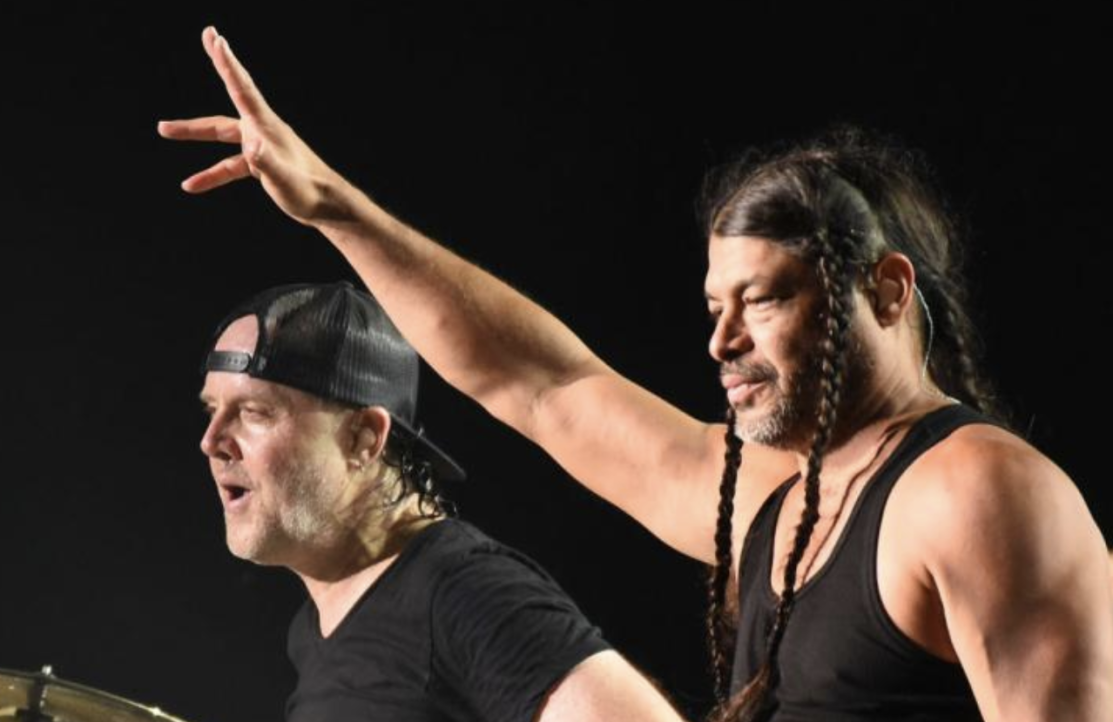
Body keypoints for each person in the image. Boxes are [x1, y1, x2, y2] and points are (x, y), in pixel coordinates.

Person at [162, 26, 1113, 721]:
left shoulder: (974, 492)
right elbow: (540, 384)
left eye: (762, 300)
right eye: (712, 308)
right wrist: (334, 207)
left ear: (887, 290)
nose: (721, 343)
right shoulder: (773, 502)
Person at [196, 281, 687, 722]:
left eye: (254, 412)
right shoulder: (311, 631)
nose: (211, 441)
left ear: (363, 438)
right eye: (213, 410)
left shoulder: (464, 594)